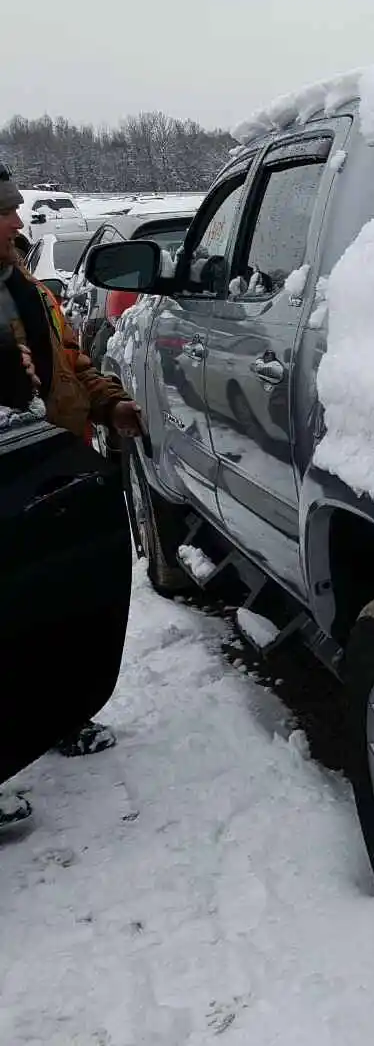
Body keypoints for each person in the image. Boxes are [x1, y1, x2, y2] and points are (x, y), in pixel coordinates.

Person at [0, 167, 145, 829]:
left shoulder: (26, 289)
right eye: (6, 214)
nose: (18, 226)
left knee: (49, 607)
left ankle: (54, 716)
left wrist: (109, 403)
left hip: (47, 472)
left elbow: (69, 361)